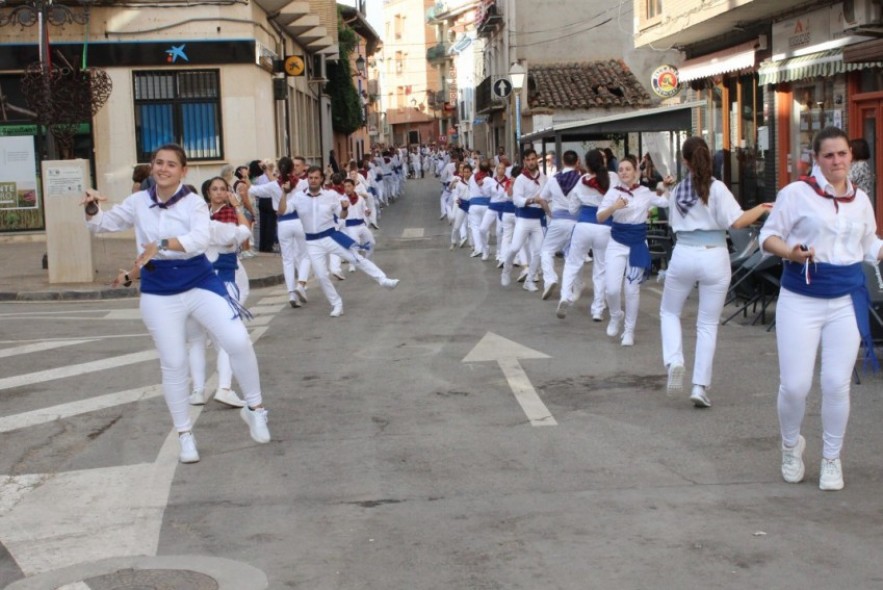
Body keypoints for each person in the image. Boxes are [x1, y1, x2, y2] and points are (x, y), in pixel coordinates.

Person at [82, 144, 271, 463]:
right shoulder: (139, 201)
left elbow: (199, 239)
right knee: (173, 364)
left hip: (199, 282)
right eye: (158, 163)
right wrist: (91, 209)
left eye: (171, 164)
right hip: (158, 289)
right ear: (152, 167)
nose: (163, 168)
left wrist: (162, 243)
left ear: (183, 171)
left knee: (238, 340)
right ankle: (185, 435)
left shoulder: (194, 203)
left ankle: (256, 409)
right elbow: (103, 224)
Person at [760, 126, 883, 491]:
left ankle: (832, 458)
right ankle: (790, 445)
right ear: (816, 159)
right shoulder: (796, 193)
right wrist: (791, 252)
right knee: (795, 385)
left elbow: (868, 243)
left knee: (835, 384)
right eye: (829, 155)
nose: (837, 161)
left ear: (851, 156)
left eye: (842, 154)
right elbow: (768, 237)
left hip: (846, 299)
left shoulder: (861, 199)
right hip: (801, 297)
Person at [659, 137, 772, 408]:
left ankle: (675, 360)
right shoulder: (717, 188)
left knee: (669, 312)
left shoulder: (677, 192)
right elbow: (737, 221)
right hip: (715, 253)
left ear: (685, 162)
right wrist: (763, 207)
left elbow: (672, 218)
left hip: (684, 252)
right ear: (708, 157)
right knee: (707, 324)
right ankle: (699, 386)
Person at [285, 166, 399, 317]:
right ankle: (336, 303)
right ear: (308, 179)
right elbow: (281, 211)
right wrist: (283, 193)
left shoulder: (331, 195)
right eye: (310, 178)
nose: (313, 180)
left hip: (331, 236)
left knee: (356, 258)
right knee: (321, 276)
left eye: (316, 178)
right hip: (312, 241)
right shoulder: (299, 197)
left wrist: (345, 208)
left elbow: (342, 215)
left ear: (322, 180)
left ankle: (383, 280)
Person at [187, 176, 251, 408]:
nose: (219, 193)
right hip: (219, 281)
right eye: (215, 189)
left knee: (196, 340)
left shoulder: (194, 221)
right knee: (224, 338)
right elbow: (242, 235)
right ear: (207, 193)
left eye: (223, 189)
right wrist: (238, 207)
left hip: (195, 280)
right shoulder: (221, 220)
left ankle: (197, 391)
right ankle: (223, 387)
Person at [597, 155, 669, 346]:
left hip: (637, 243)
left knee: (632, 289)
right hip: (617, 242)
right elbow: (600, 217)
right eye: (621, 169)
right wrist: (614, 207)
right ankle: (615, 315)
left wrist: (666, 186)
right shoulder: (613, 193)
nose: (624, 172)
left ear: (636, 171)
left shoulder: (645, 192)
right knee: (611, 289)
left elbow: (664, 201)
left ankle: (629, 331)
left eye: (628, 169)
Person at [557, 149, 617, 321]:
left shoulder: (581, 182)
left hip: (583, 226)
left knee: (572, 263)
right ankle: (597, 309)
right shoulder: (612, 179)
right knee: (601, 268)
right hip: (605, 227)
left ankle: (564, 296)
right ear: (603, 163)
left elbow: (572, 209)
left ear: (587, 165)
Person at [501, 149, 547, 292]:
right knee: (515, 247)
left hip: (538, 219)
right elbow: (516, 200)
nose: (531, 162)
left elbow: (547, 196)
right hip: (524, 218)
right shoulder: (520, 179)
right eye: (528, 159)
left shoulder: (544, 177)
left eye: (534, 159)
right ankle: (506, 269)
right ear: (524, 162)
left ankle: (530, 279)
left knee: (538, 252)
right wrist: (532, 199)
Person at [538, 150, 582, 300]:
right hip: (577, 222)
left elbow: (542, 199)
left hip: (558, 220)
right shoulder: (582, 179)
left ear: (563, 162)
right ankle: (573, 290)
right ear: (577, 162)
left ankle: (550, 279)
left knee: (546, 251)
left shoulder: (553, 179)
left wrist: (550, 213)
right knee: (573, 255)